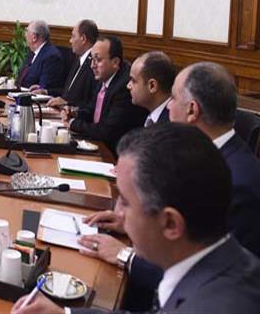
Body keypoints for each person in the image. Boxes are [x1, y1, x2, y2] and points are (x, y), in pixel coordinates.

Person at [12, 123, 260, 314]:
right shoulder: (220, 263)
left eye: (125, 202)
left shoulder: (214, 306)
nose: (118, 212)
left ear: (170, 223)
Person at [77, 62, 260, 311]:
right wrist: (137, 219)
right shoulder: (204, 158)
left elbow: (206, 271)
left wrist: (125, 254)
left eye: (173, 97)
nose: (169, 106)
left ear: (192, 110)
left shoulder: (239, 181)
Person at [62, 36, 146, 152]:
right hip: (99, 145)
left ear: (115, 62)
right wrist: (74, 113)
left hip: (114, 153)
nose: (92, 65)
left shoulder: (124, 87)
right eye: (92, 59)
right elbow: (92, 110)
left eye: (98, 60)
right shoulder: (104, 77)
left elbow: (106, 131)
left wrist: (72, 123)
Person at [40, 19, 99, 108]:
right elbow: (68, 92)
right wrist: (46, 92)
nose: (70, 41)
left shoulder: (94, 65)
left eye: (73, 36)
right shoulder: (78, 60)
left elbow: (92, 102)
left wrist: (67, 104)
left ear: (83, 39)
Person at [126, 51, 176, 127]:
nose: (128, 86)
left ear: (152, 86)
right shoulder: (145, 111)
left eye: (133, 81)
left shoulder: (170, 124)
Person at [18, 20, 65, 91]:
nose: (25, 35)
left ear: (34, 37)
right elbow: (20, 79)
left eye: (27, 31)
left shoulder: (51, 56)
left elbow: (43, 88)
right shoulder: (32, 52)